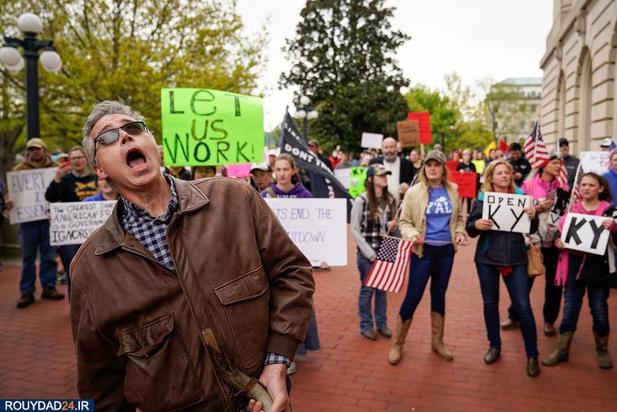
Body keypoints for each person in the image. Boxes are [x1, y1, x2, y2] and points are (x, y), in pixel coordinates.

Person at [71, 101, 314, 411]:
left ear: (154, 146)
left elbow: (292, 272)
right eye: (106, 137)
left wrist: (278, 363)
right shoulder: (90, 267)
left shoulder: (235, 199)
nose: (125, 137)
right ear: (100, 169)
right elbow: (99, 384)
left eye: (133, 128)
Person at [387, 150, 467, 365]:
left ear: (443, 168)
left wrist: (459, 233)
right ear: (424, 168)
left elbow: (459, 218)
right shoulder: (414, 192)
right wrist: (413, 235)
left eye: (437, 165)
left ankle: (437, 341)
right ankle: (397, 342)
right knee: (413, 296)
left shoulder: (453, 190)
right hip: (423, 252)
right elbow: (404, 222)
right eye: (429, 164)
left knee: (439, 295)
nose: (432, 168)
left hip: (446, 252)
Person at [466, 160, 540, 377]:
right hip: (487, 259)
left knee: (523, 307)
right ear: (491, 177)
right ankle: (494, 345)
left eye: (507, 172)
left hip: (516, 258)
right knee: (490, 304)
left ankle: (532, 354)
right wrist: (477, 224)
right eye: (499, 173)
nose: (504, 175)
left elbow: (531, 228)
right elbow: (471, 229)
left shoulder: (522, 199)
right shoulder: (482, 200)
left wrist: (533, 216)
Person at [543, 172, 616, 369]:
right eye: (583, 184)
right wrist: (559, 241)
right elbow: (560, 234)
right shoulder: (572, 209)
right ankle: (562, 350)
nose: (586, 188)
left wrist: (615, 228)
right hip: (574, 266)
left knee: (599, 310)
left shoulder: (609, 211)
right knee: (570, 309)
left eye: (591, 185)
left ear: (600, 188)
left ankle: (602, 349)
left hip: (599, 269)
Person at [502, 153, 569, 336]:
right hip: (533, 241)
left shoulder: (563, 187)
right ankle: (514, 315)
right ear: (544, 165)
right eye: (555, 163)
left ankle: (549, 321)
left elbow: (569, 213)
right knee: (524, 281)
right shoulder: (528, 185)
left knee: (554, 285)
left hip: (555, 242)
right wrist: (538, 208)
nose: (558, 166)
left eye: (560, 163)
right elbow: (519, 211)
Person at [8, 138, 63, 308]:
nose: (35, 152)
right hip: (27, 221)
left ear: (44, 150)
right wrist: (9, 201)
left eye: (38, 149)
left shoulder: (55, 170)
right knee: (28, 257)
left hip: (48, 219)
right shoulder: (18, 170)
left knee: (49, 255)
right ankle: (27, 292)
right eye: (31, 149)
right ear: (28, 151)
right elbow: (12, 195)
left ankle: (49, 287)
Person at [351, 164, 396, 341]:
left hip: (386, 250)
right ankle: (366, 326)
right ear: (371, 179)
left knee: (383, 291)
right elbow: (355, 230)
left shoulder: (391, 200)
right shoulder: (361, 201)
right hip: (367, 254)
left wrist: (392, 225)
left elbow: (390, 227)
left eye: (386, 174)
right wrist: (370, 254)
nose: (385, 177)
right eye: (381, 175)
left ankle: (382, 324)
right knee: (367, 290)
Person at [45, 146, 97, 291]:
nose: (77, 161)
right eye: (73, 158)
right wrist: (57, 178)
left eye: (79, 157)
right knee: (73, 272)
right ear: (70, 161)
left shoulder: (96, 177)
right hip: (72, 236)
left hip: (94, 233)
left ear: (85, 159)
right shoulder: (65, 180)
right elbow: (50, 197)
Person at [456, 148, 477, 213]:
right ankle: (458, 212)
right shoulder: (460, 165)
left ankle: (468, 213)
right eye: (465, 155)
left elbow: (475, 175)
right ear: (462, 156)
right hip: (462, 187)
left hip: (469, 187)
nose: (467, 156)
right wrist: (459, 172)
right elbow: (455, 176)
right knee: (460, 200)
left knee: (469, 200)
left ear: (470, 156)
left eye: (468, 155)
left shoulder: (472, 165)